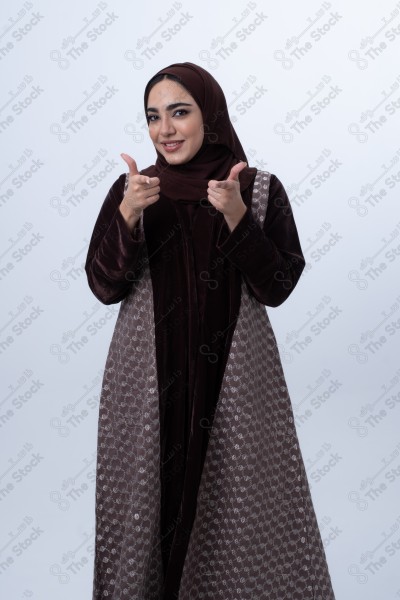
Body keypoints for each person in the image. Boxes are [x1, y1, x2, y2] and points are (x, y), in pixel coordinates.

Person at [85, 62, 336, 599]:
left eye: (180, 112)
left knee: (241, 515)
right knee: (145, 518)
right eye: (153, 117)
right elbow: (104, 286)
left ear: (211, 116)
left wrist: (238, 220)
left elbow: (278, 286)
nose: (165, 130)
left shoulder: (256, 189)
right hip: (146, 387)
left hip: (237, 389)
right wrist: (127, 218)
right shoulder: (135, 191)